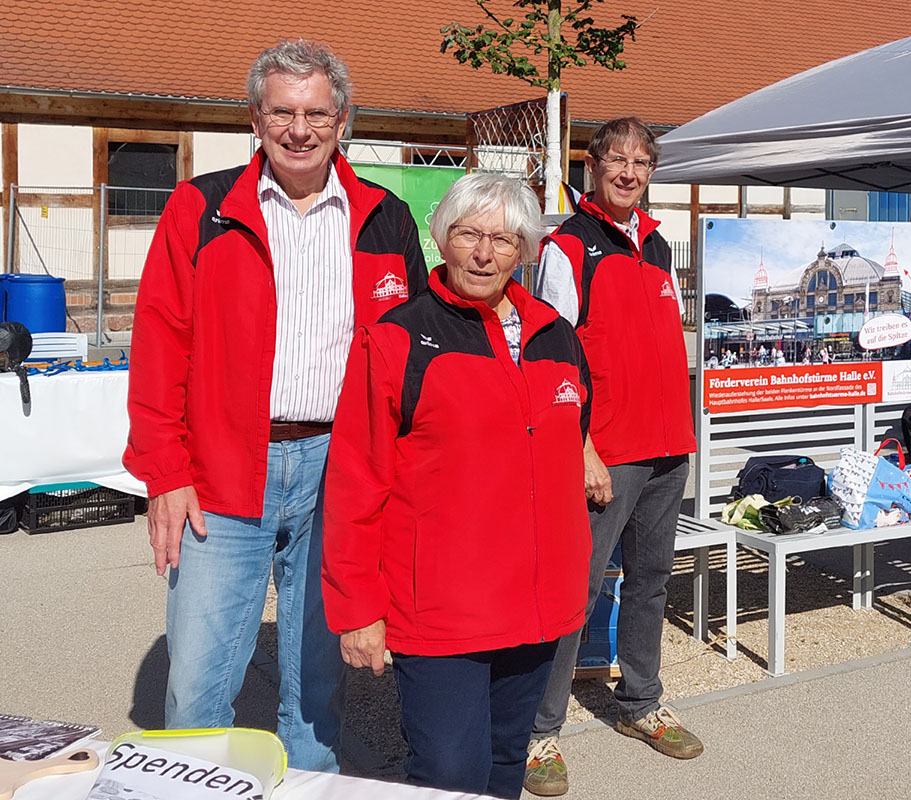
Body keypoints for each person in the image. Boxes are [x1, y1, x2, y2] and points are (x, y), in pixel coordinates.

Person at [123, 40, 427, 772]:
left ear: (343, 118)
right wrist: (166, 471)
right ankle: (190, 785)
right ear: (255, 119)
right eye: (282, 112)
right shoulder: (202, 208)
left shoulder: (385, 218)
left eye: (316, 112)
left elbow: (417, 353)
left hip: (340, 470)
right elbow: (159, 343)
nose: (300, 128)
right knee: (197, 682)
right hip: (226, 468)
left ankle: (308, 786)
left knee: (318, 682)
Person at [322, 173, 591, 800]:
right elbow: (356, 479)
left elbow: (571, 433)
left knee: (504, 763)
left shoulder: (557, 336)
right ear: (442, 238)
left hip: (537, 602)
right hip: (442, 610)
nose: (482, 252)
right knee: (448, 777)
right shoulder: (398, 335)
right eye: (468, 233)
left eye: (502, 239)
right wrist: (358, 607)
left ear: (524, 250)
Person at [525, 117, 701, 798]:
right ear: (592, 165)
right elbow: (549, 358)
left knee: (652, 581)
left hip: (666, 450)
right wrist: (582, 447)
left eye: (641, 162)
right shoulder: (568, 247)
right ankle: (540, 733)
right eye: (617, 159)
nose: (629, 172)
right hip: (606, 455)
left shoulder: (657, 247)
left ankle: (640, 702)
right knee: (576, 589)